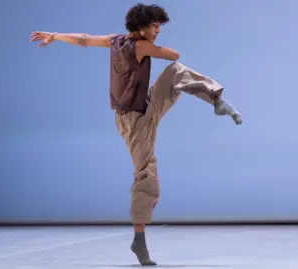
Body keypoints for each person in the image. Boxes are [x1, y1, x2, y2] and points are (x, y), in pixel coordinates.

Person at [30, 3, 242, 266]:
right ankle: (139, 239)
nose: (157, 31)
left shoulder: (115, 41)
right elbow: (173, 53)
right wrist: (153, 48)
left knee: (177, 73)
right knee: (146, 173)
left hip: (145, 106)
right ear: (141, 28)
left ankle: (217, 100)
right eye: (154, 26)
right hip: (134, 120)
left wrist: (55, 36)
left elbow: (84, 40)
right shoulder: (140, 46)